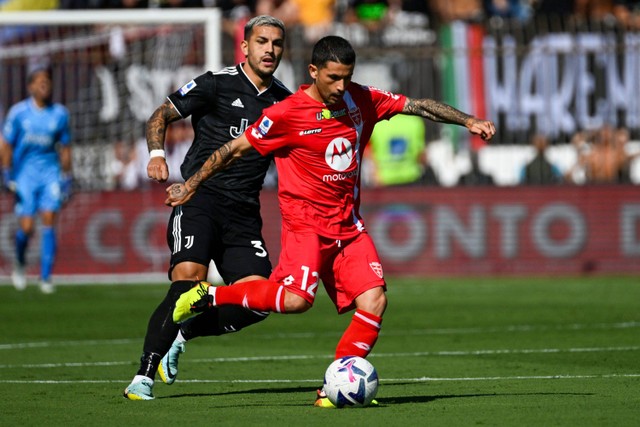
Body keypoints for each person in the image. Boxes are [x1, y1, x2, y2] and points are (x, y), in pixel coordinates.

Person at [166, 35, 495, 407]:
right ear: (314, 72)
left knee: (374, 301)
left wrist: (468, 119)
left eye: (347, 77)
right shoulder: (285, 113)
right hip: (306, 225)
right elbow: (232, 149)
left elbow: (417, 106)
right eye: (334, 78)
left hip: (349, 228)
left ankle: (336, 385)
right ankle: (208, 296)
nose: (341, 87)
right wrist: (190, 184)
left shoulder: (361, 97)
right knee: (295, 301)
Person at [123, 15, 291, 401]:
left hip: (244, 214)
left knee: (260, 300)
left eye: (277, 43)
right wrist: (156, 154)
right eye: (262, 41)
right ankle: (143, 375)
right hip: (199, 198)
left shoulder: (285, 102)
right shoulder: (216, 83)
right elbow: (161, 114)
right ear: (245, 46)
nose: (270, 49)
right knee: (188, 281)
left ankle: (185, 332)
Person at [0, 67, 72, 294]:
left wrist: (67, 178)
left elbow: (66, 148)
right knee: (27, 227)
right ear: (30, 86)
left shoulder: (60, 114)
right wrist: (6, 173)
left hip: (50, 173)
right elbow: (6, 145)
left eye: (47, 82)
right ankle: (20, 264)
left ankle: (45, 277)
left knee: (49, 219)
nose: (45, 85)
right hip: (25, 176)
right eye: (40, 82)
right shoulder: (18, 113)